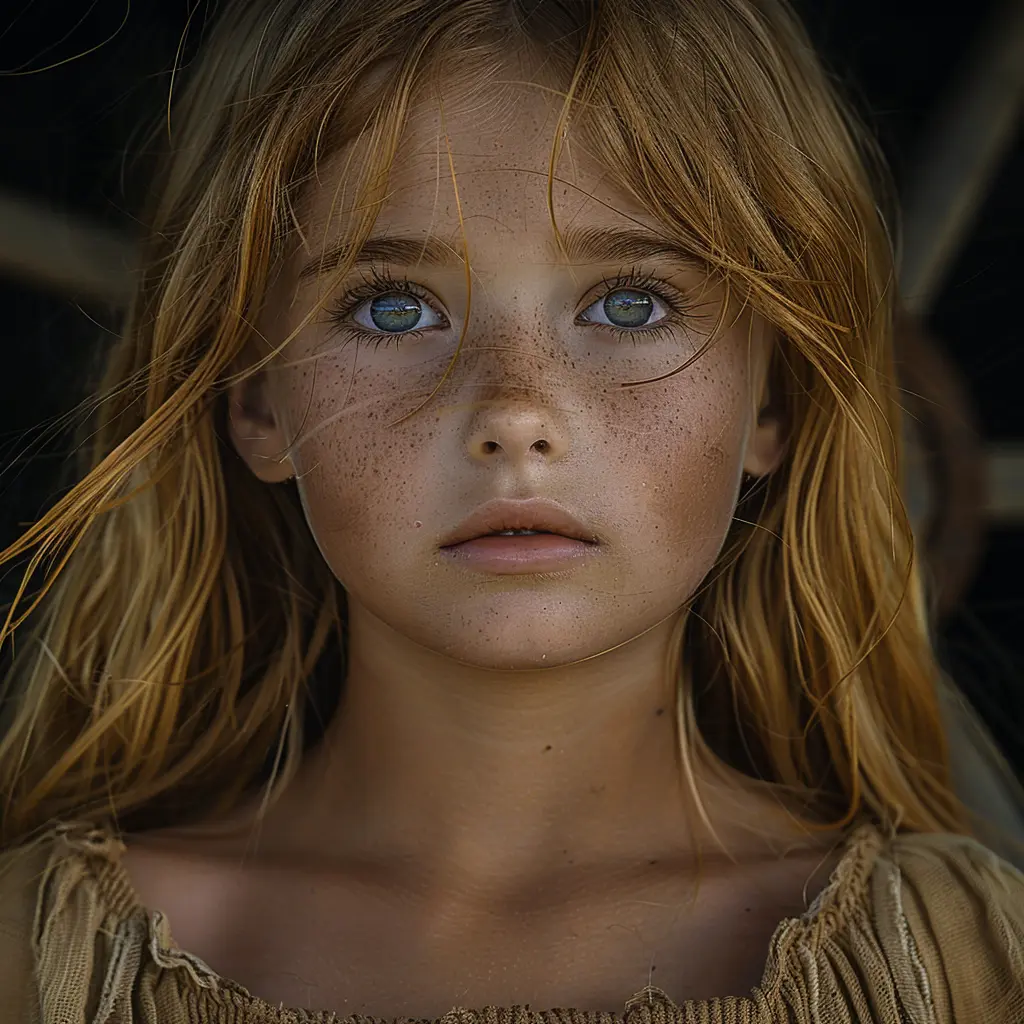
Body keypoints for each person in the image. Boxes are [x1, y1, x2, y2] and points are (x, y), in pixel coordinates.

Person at [0, 0, 1022, 1021]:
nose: (515, 413)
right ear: (260, 403)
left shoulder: (965, 964)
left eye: (630, 303)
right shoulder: (36, 963)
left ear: (773, 400)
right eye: (392, 307)